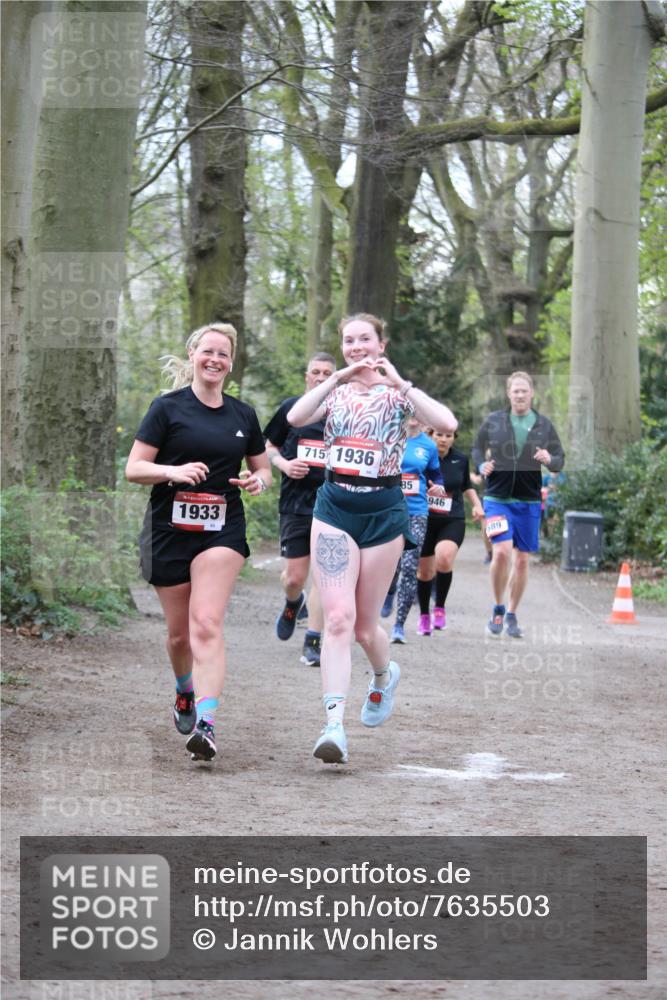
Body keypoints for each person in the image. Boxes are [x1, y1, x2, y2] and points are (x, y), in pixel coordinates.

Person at [287, 313, 458, 765]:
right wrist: (337, 377)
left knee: (365, 627)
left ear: (381, 344)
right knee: (338, 619)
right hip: (335, 508)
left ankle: (384, 675)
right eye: (349, 340)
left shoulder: (398, 396)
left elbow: (447, 420)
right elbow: (295, 416)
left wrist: (400, 382)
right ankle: (333, 726)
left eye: (365, 339)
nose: (357, 346)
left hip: (383, 513)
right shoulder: (336, 391)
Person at [125, 323, 271, 763]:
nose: (215, 360)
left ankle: (206, 726)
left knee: (205, 623)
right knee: (178, 636)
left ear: (231, 362)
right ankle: (184, 690)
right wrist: (172, 472)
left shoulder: (243, 415)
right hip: (169, 530)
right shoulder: (167, 408)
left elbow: (263, 469)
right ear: (192, 354)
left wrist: (257, 481)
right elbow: (134, 468)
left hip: (221, 529)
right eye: (207, 351)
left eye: (223, 354)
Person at [471, 371, 565, 638]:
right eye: (516, 391)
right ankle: (498, 607)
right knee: (501, 552)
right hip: (497, 499)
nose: (520, 395)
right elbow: (477, 448)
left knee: (522, 560)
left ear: (532, 393)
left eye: (524, 390)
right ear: (508, 394)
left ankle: (511, 613)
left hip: (529, 500)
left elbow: (560, 458)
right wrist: (480, 464)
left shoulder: (543, 425)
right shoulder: (494, 422)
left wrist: (549, 458)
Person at [263, 352, 337, 666]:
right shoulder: (291, 408)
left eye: (327, 373)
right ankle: (295, 603)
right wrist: (283, 463)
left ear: (336, 378)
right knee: (294, 577)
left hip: (333, 504)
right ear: (307, 375)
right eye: (315, 372)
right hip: (295, 503)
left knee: (324, 575)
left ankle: (313, 642)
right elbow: (267, 446)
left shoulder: (343, 413)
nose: (320, 378)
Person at [416, 429, 485, 634]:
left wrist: (477, 505)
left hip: (452, 519)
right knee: (425, 572)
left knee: (444, 558)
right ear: (431, 435)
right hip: (424, 518)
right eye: (439, 434)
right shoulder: (422, 457)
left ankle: (439, 608)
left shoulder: (460, 459)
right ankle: (424, 615)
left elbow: (466, 486)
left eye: (448, 436)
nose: (443, 439)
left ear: (454, 438)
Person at [386, 416, 444, 644]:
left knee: (410, 566)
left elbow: (436, 474)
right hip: (388, 509)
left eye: (417, 412)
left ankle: (399, 625)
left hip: (417, 511)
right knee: (392, 564)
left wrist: (438, 485)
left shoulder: (428, 445)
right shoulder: (388, 437)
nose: (413, 415)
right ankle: (389, 591)